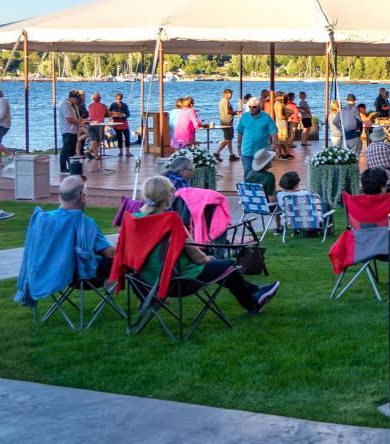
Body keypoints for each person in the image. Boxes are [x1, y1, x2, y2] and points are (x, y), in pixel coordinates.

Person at [133, 176, 279, 313]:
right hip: (178, 280)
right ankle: (253, 302)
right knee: (227, 266)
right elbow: (197, 257)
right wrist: (205, 258)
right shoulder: (171, 221)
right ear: (168, 196)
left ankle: (256, 292)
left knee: (222, 267)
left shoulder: (135, 220)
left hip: (146, 280)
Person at [54, 176, 116, 277]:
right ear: (82, 197)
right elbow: (109, 253)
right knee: (125, 258)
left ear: (60, 196)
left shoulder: (46, 220)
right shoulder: (85, 224)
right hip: (82, 275)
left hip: (55, 273)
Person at [237, 97, 279, 167]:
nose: (251, 109)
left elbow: (274, 132)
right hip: (247, 152)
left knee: (262, 173)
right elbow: (240, 133)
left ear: (259, 106)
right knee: (248, 173)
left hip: (262, 152)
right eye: (249, 107)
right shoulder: (244, 117)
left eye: (254, 107)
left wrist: (274, 144)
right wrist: (238, 146)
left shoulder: (266, 117)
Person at [58, 90, 82, 174]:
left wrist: (81, 121)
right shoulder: (65, 105)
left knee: (71, 150)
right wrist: (80, 122)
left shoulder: (74, 105)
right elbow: (69, 119)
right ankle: (62, 167)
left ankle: (71, 166)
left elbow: (76, 117)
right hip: (67, 130)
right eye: (76, 98)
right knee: (66, 149)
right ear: (71, 98)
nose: (78, 100)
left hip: (74, 130)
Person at [215, 89, 238, 162]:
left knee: (229, 139)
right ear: (226, 94)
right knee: (227, 139)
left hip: (227, 122)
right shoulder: (224, 101)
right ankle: (217, 152)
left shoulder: (224, 101)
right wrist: (236, 112)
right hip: (226, 122)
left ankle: (231, 155)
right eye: (230, 94)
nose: (231, 95)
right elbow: (228, 111)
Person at [85, 92, 108, 160]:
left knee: (93, 140)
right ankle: (96, 155)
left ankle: (90, 152)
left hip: (91, 123)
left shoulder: (89, 106)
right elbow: (109, 114)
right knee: (100, 139)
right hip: (99, 124)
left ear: (93, 99)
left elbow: (90, 114)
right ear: (100, 99)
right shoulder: (104, 106)